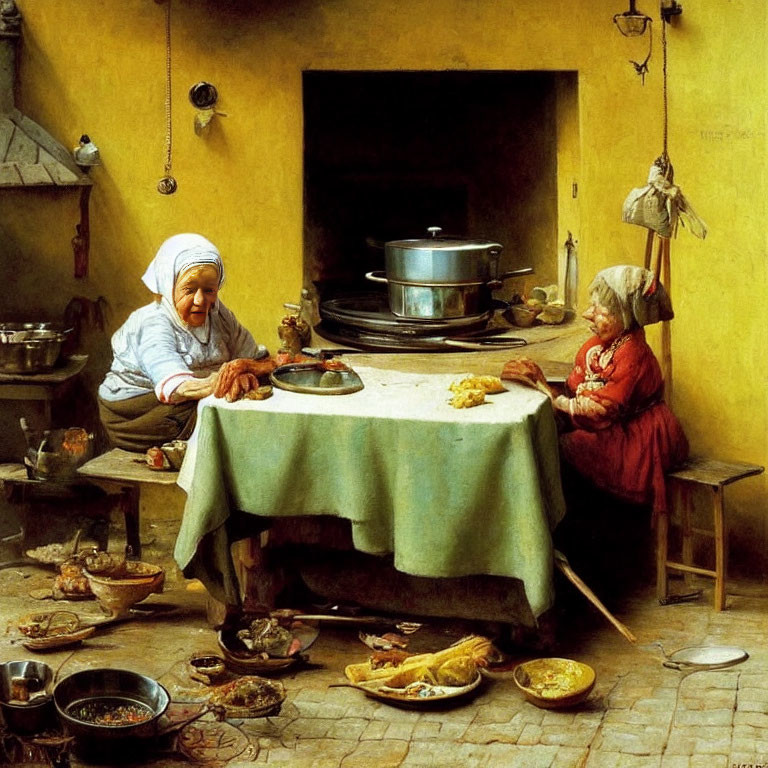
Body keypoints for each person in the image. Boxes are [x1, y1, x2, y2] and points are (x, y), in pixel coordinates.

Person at [502, 264, 688, 517]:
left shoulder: (633, 352)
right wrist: (538, 381)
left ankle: (576, 531)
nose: (588, 314)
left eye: (599, 309)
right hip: (611, 428)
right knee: (548, 438)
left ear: (625, 315)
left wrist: (548, 392)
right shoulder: (598, 346)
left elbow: (600, 411)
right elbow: (574, 388)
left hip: (638, 437)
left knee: (561, 447)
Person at [98, 233, 269, 451]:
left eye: (209, 290)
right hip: (137, 412)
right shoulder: (152, 323)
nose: (200, 300)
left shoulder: (218, 314)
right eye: (189, 289)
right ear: (169, 284)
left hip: (190, 400)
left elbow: (250, 355)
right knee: (227, 415)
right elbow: (176, 387)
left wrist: (249, 369)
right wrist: (222, 381)